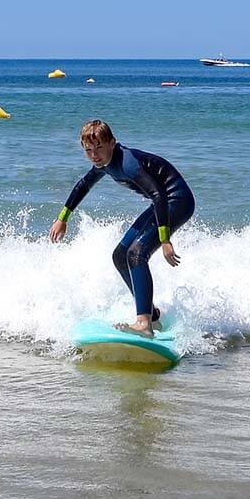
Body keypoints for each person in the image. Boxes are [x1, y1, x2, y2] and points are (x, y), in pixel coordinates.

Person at [49, 119, 195, 338]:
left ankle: (143, 322)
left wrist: (165, 240)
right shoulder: (103, 164)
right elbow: (83, 184)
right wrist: (63, 218)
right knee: (120, 255)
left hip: (177, 201)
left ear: (112, 143)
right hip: (162, 203)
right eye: (88, 150)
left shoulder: (128, 163)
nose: (94, 155)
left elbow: (158, 194)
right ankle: (152, 314)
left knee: (137, 253)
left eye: (99, 147)